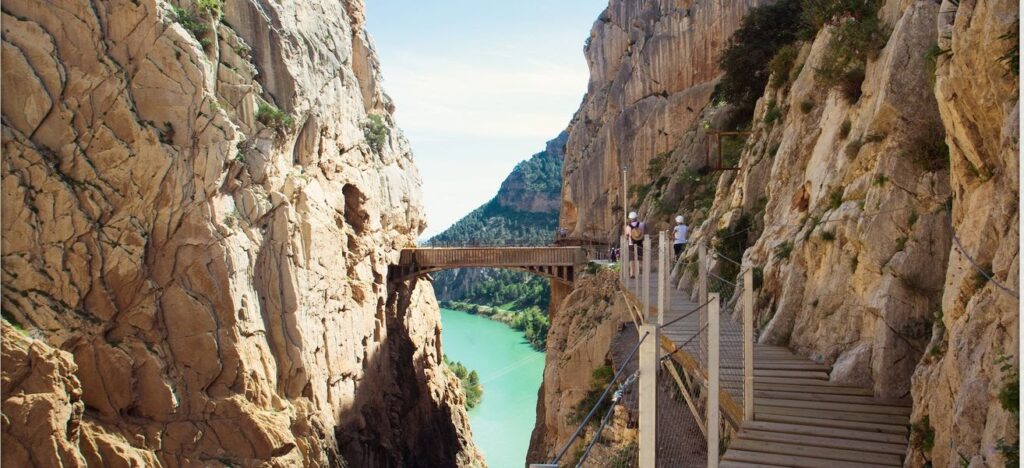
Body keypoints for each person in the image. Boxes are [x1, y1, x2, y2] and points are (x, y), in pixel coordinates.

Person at [625, 211, 645, 278]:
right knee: (641, 258)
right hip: (640, 242)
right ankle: (643, 271)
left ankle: (632, 273)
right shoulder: (641, 224)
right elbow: (643, 232)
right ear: (636, 217)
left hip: (631, 243)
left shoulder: (628, 227)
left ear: (630, 218)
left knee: (632, 259)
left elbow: (627, 236)